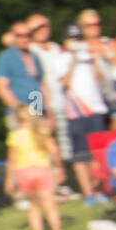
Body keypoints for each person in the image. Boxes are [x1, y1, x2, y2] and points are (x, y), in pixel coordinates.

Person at [58, 17, 113, 205]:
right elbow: (64, 82)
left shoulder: (88, 56)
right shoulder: (63, 58)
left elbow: (98, 79)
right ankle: (88, 193)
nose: (76, 43)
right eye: (72, 39)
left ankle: (100, 189)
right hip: (76, 112)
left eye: (78, 39)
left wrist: (94, 59)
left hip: (95, 108)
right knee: (81, 155)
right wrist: (73, 59)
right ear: (65, 41)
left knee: (98, 154)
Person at [5, 109, 65, 230]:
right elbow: (54, 151)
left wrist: (9, 180)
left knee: (34, 206)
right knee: (50, 206)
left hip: (24, 173)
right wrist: (59, 168)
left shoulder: (15, 136)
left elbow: (12, 161)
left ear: (18, 120)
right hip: (42, 171)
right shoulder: (42, 132)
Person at [27, 13, 70, 170]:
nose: (42, 29)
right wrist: (40, 113)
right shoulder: (29, 51)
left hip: (63, 104)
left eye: (45, 25)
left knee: (67, 150)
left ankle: (68, 182)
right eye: (37, 27)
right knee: (45, 149)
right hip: (42, 107)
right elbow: (34, 84)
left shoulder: (56, 48)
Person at [0, 21, 44, 128]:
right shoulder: (6, 57)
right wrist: (21, 111)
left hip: (38, 113)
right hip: (19, 117)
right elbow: (2, 89)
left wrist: (47, 113)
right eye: (20, 35)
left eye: (28, 35)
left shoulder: (34, 57)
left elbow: (41, 85)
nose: (24, 39)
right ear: (13, 37)